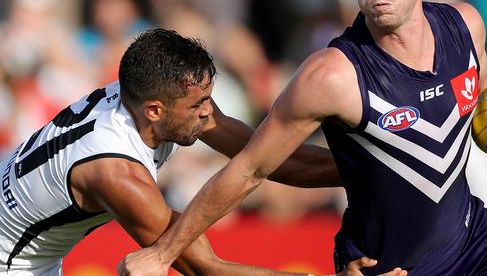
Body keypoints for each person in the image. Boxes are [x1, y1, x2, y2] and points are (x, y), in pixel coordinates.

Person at [119, 0, 487, 275]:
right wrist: (162, 256)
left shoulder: (466, 24)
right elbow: (250, 169)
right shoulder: (331, 75)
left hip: (474, 240)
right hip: (388, 267)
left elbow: (482, 89)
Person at [0, 28, 406, 276]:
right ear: (155, 111)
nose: (209, 112)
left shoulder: (152, 97)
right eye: (199, 106)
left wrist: (379, 165)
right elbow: (206, 268)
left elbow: (269, 158)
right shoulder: (118, 175)